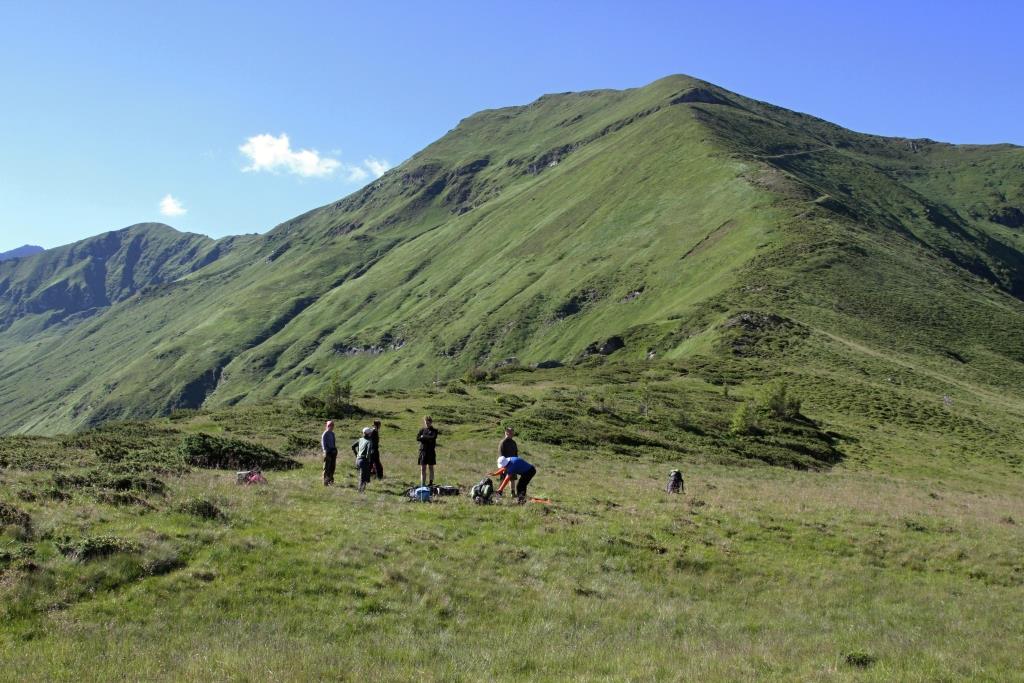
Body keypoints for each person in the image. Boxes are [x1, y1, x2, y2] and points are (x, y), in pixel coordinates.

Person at [416, 416, 439, 487]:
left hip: (430, 451)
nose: (427, 424)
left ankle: (431, 483)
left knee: (431, 467)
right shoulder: (422, 430)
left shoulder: (434, 430)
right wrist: (426, 438)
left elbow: (433, 438)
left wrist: (423, 437)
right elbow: (418, 438)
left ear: (431, 422)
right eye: (426, 423)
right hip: (423, 451)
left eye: (428, 423)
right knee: (423, 468)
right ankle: (423, 484)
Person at [351, 426, 374, 493]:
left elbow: (353, 446)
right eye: (370, 433)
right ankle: (360, 491)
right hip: (364, 461)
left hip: (358, 460)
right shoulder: (369, 441)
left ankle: (361, 490)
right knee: (363, 477)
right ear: (368, 434)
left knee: (363, 476)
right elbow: (368, 452)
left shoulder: (360, 439)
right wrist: (368, 460)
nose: (371, 434)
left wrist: (356, 455)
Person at [320, 420, 337, 486]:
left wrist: (335, 449)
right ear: (327, 426)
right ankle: (325, 482)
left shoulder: (332, 433)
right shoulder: (325, 434)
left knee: (332, 467)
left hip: (333, 452)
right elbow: (323, 444)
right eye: (330, 425)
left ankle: (331, 481)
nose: (332, 427)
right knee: (327, 467)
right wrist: (326, 451)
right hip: (327, 452)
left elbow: (334, 443)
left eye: (332, 425)